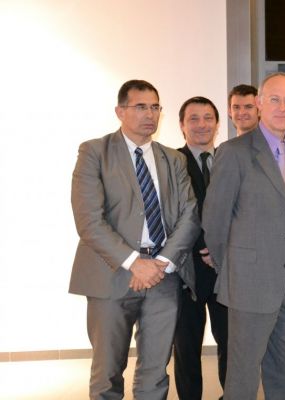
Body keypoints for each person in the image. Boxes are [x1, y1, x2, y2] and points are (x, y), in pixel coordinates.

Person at [69, 79, 199, 399]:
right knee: (108, 373)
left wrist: (162, 262)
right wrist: (134, 263)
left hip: (163, 277)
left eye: (155, 107)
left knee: (155, 372)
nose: (149, 114)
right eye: (140, 106)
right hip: (111, 276)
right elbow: (89, 220)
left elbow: (190, 215)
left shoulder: (174, 159)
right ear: (120, 111)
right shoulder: (95, 152)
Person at [203, 72, 285, 399]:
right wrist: (233, 269)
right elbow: (215, 220)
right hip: (249, 278)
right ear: (260, 105)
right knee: (244, 370)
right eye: (275, 100)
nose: (283, 107)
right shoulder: (234, 152)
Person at [173, 96, 228, 400]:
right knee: (186, 347)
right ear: (182, 125)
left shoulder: (229, 159)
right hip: (187, 270)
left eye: (208, 117)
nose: (202, 124)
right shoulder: (172, 161)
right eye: (193, 118)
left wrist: (219, 249)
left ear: (217, 124)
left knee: (231, 345)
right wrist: (202, 246)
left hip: (224, 271)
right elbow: (171, 214)